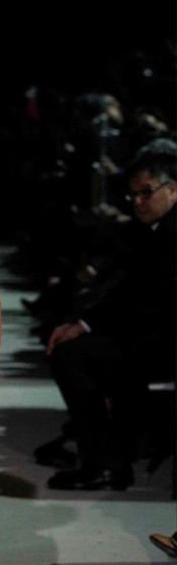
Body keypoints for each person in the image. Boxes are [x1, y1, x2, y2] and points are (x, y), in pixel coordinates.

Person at [45, 146, 176, 490]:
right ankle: (102, 449)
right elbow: (130, 293)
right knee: (75, 346)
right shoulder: (158, 229)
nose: (138, 202)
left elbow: (148, 307)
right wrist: (84, 324)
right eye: (133, 195)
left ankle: (106, 462)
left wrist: (91, 329)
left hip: (160, 345)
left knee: (71, 357)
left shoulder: (169, 235)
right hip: (151, 336)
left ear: (172, 189)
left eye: (146, 192)